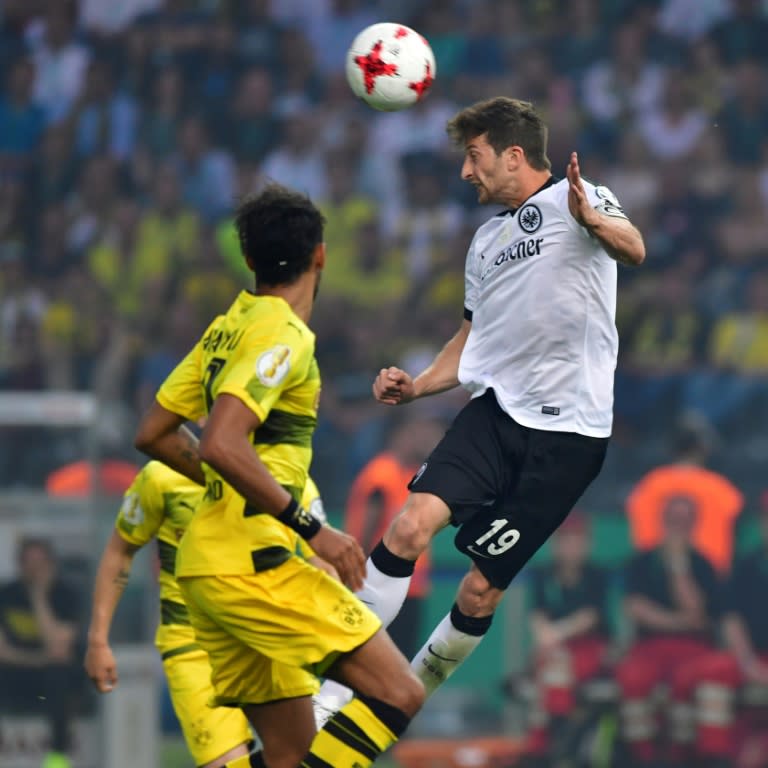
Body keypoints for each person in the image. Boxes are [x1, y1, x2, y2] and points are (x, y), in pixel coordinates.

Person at [315, 95, 645, 715]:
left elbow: (633, 247)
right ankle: (332, 695)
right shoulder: (486, 241)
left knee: (476, 593)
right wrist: (416, 385)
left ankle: (404, 698)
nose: (466, 172)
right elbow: (470, 341)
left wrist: (595, 221)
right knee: (409, 527)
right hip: (495, 416)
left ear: (513, 155)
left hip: (568, 438)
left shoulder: (580, 199)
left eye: (475, 156)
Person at [133, 183, 425, 768]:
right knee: (401, 693)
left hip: (205, 570)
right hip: (255, 565)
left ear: (249, 260)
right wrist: (312, 528)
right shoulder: (284, 335)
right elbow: (220, 441)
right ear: (320, 254)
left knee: (290, 754)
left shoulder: (228, 327)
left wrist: (230, 478)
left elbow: (155, 433)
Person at [615, 495, 722, 767]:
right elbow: (636, 608)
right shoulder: (641, 561)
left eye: (684, 520)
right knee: (633, 677)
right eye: (673, 519)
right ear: (663, 521)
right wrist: (681, 621)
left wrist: (678, 566)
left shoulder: (703, 564)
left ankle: (682, 759)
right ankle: (644, 759)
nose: (678, 526)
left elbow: (698, 614)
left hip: (693, 649)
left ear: (693, 524)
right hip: (649, 647)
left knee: (690, 681)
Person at [523, 511, 612, 765]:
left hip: (590, 649)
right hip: (552, 650)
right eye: (566, 539)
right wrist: (547, 638)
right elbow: (537, 617)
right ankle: (554, 747)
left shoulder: (596, 575)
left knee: (554, 668)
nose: (571, 546)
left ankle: (555, 744)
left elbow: (591, 618)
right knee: (551, 671)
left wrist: (556, 635)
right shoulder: (543, 575)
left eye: (577, 539)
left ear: (587, 543)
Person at [0, 537, 85, 768]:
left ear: (51, 564)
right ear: (19, 564)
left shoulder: (65, 595)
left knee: (58, 674)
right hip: (16, 672)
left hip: (51, 678)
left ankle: (57, 757)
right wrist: (40, 659)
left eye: (41, 563)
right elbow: (2, 652)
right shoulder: (6, 594)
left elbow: (58, 648)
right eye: (29, 562)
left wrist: (39, 597)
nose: (35, 569)